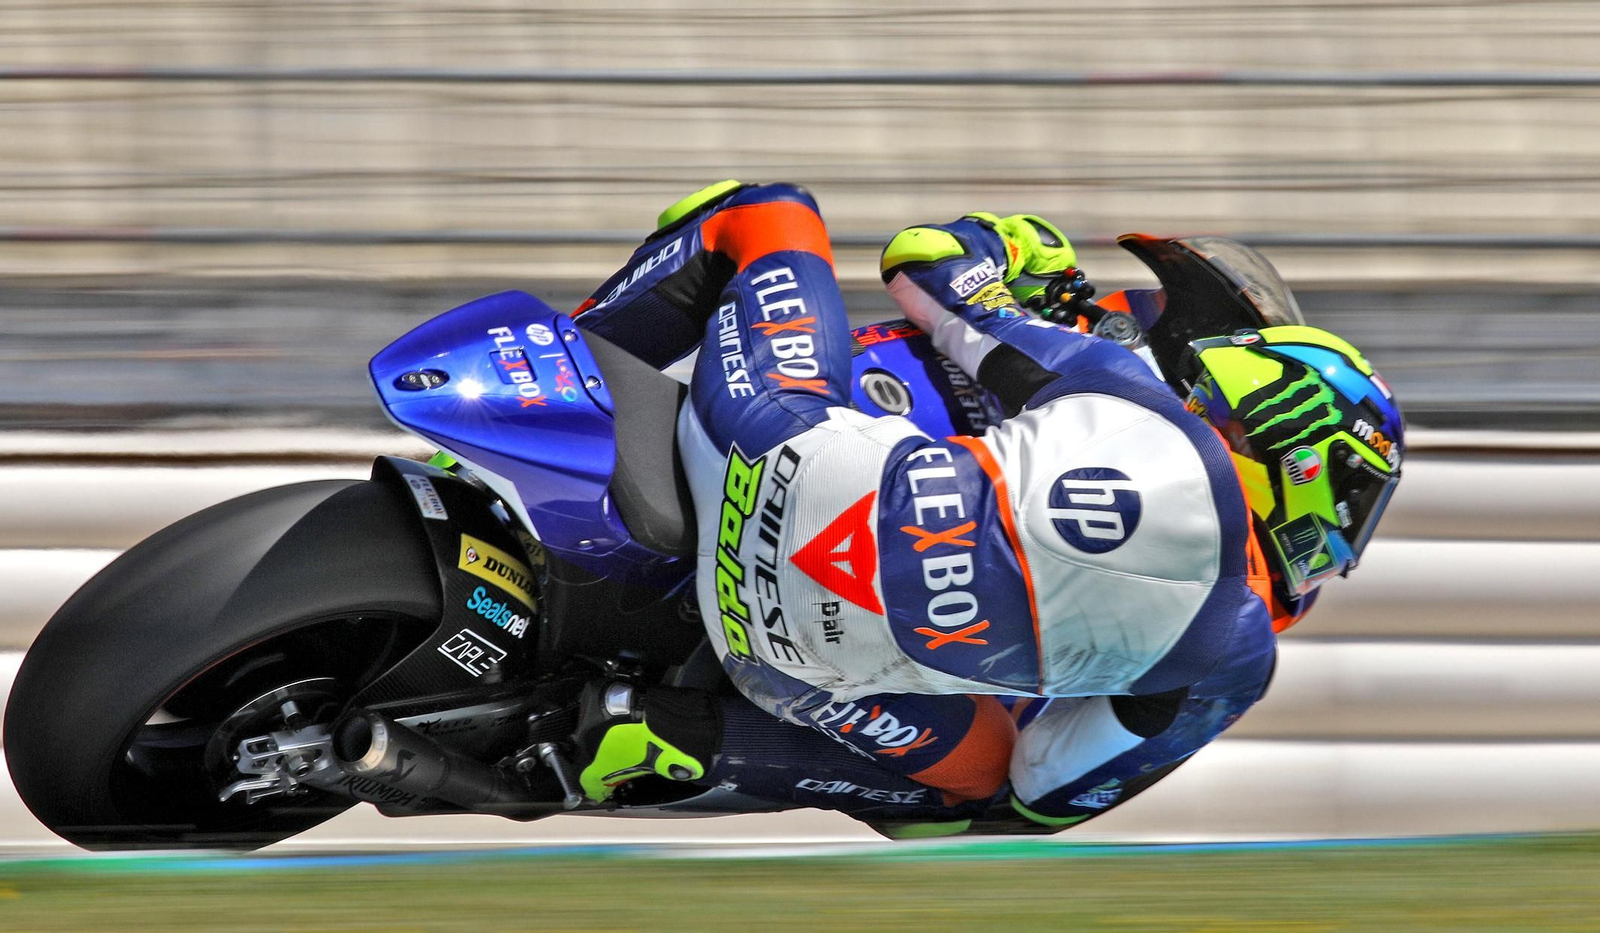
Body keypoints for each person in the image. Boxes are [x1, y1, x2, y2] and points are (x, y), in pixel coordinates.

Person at [567, 180, 1404, 834]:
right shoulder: (1235, 655)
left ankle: (572, 380)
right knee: (980, 795)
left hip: (763, 463)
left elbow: (922, 262)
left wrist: (1011, 247)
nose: (1338, 538)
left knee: (763, 213)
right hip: (784, 664)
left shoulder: (1129, 391)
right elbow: (1050, 795)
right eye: (1350, 510)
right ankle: (675, 736)